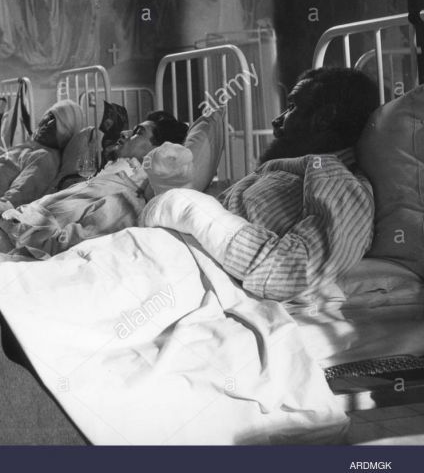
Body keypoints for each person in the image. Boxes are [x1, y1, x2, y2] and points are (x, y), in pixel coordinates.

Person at [141, 67, 381, 299]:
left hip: (171, 275)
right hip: (155, 256)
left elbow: (291, 273)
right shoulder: (287, 171)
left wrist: (191, 209)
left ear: (324, 118)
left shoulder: (343, 187)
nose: (277, 120)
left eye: (292, 107)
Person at [0, 112, 190, 257]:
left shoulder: (125, 201)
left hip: (10, 241)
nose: (125, 133)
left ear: (156, 151)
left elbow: (68, 248)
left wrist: (8, 217)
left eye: (138, 133)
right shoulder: (107, 179)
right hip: (5, 231)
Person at [0, 100, 84, 223]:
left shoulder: (45, 157)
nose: (48, 123)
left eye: (58, 123)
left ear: (66, 134)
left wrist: (3, 207)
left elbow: (21, 192)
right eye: (50, 116)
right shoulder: (29, 147)